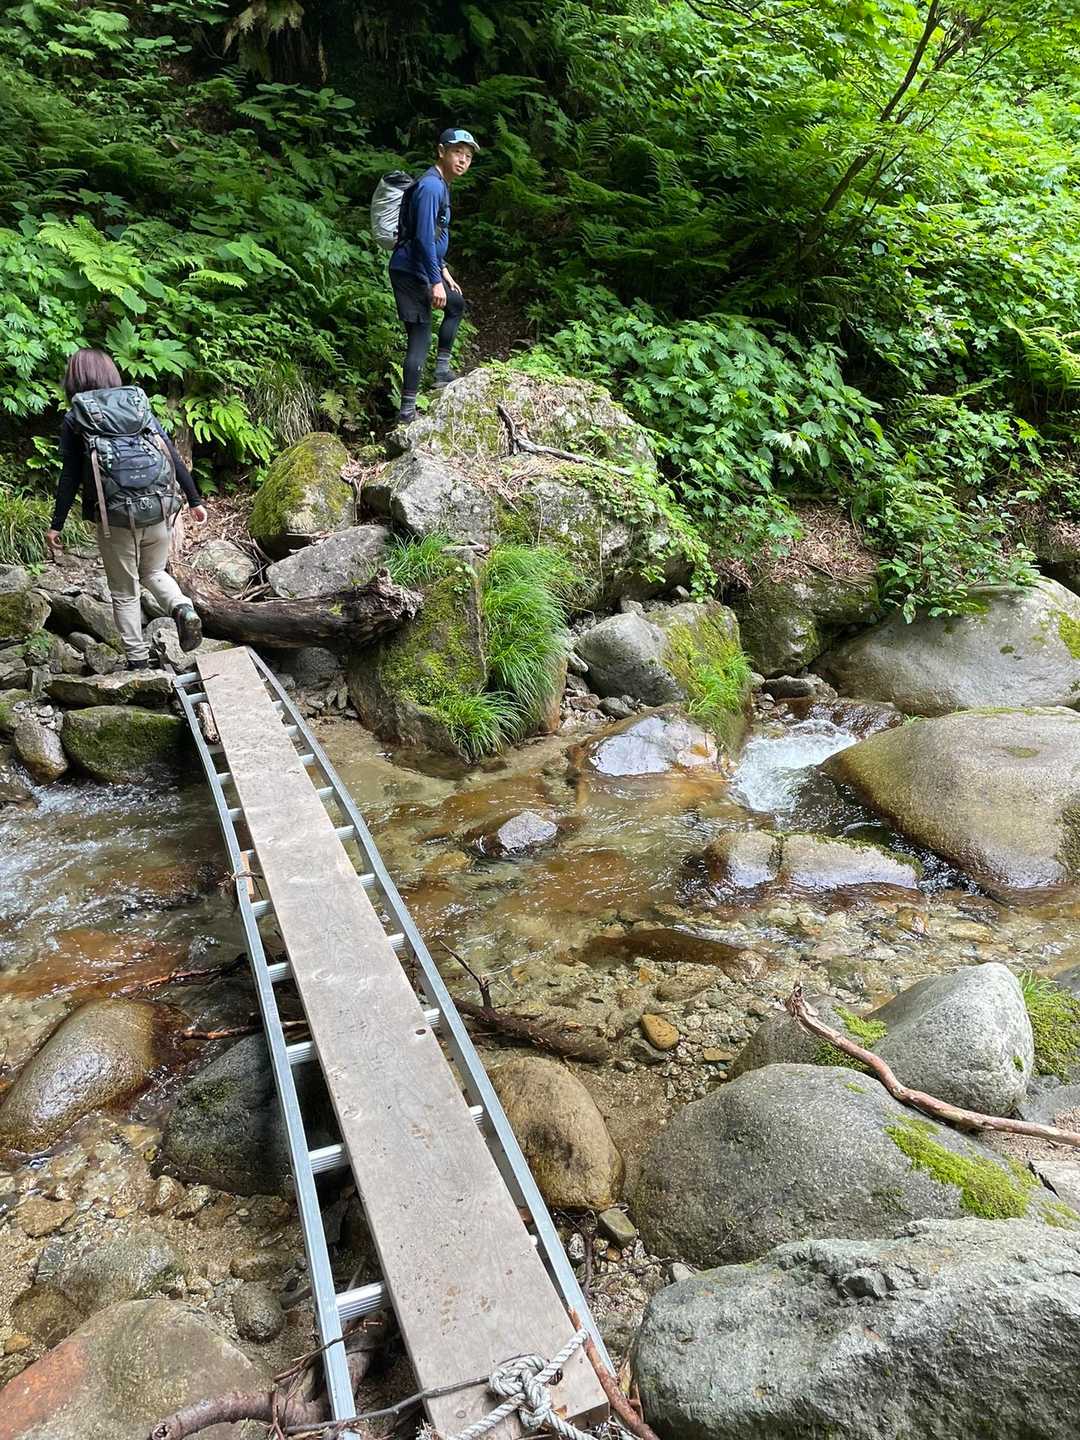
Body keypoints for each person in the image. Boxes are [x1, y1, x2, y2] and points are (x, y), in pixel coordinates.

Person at [45, 348, 208, 670]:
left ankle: (138, 660)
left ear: (75, 377)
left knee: (124, 591)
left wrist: (57, 524)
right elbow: (170, 452)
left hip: (115, 518)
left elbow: (70, 476)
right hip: (158, 508)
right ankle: (182, 608)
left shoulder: (77, 416)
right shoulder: (136, 403)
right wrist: (194, 500)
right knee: (155, 572)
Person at [388, 127, 479, 425]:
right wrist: (436, 281)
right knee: (420, 336)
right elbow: (423, 238)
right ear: (441, 151)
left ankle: (441, 371)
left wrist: (442, 269)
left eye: (468, 156)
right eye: (457, 152)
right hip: (409, 272)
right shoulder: (430, 187)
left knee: (456, 304)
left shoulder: (441, 184)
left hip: (423, 269)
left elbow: (433, 234)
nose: (463, 160)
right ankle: (407, 412)